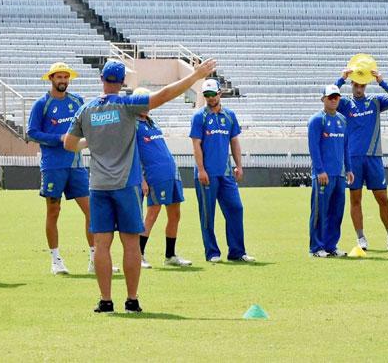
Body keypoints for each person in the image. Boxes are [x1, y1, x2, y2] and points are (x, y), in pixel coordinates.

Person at [65, 58, 216, 313]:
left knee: (102, 244)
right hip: (126, 184)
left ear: (101, 80)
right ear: (123, 82)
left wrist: (88, 143)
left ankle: (105, 300)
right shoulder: (126, 105)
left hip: (99, 185)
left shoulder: (86, 110)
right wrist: (194, 77)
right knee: (131, 243)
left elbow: (69, 144)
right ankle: (132, 299)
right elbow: (164, 95)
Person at [27, 62, 117, 275]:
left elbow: (89, 125)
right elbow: (32, 132)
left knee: (91, 211)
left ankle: (96, 259)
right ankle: (56, 259)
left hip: (76, 165)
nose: (63, 81)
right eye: (59, 77)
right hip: (52, 166)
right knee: (53, 211)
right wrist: (59, 138)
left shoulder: (77, 101)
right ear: (51, 79)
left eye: (66, 77)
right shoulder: (42, 104)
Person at [335, 68, 388, 250]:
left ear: (366, 85)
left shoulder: (375, 102)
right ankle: (361, 238)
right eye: (356, 85)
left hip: (374, 158)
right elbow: (329, 98)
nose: (359, 88)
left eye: (362, 85)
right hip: (352, 159)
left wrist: (382, 82)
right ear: (352, 85)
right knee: (355, 199)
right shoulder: (345, 104)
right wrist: (342, 78)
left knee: (382, 198)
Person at [190, 79, 255, 263]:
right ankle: (212, 253)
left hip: (226, 173)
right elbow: (196, 145)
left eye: (213, 94)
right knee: (208, 215)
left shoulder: (230, 116)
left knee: (236, 208)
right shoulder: (199, 117)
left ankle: (237, 251)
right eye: (207, 95)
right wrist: (201, 170)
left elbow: (234, 142)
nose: (210, 98)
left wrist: (239, 165)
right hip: (207, 175)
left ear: (220, 93)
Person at [132, 87, 192, 269]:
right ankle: (139, 255)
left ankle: (170, 255)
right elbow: (132, 154)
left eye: (147, 101)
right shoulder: (132, 125)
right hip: (154, 175)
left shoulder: (151, 122)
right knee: (153, 213)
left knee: (175, 214)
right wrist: (141, 178)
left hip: (171, 173)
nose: (146, 106)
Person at [308, 85, 354, 257]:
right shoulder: (316, 120)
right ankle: (316, 247)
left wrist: (348, 168)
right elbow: (314, 147)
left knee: (336, 211)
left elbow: (346, 146)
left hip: (339, 175)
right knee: (320, 211)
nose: (334, 100)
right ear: (323, 99)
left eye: (336, 97)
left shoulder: (342, 120)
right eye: (330, 97)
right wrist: (320, 170)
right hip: (323, 175)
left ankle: (331, 246)